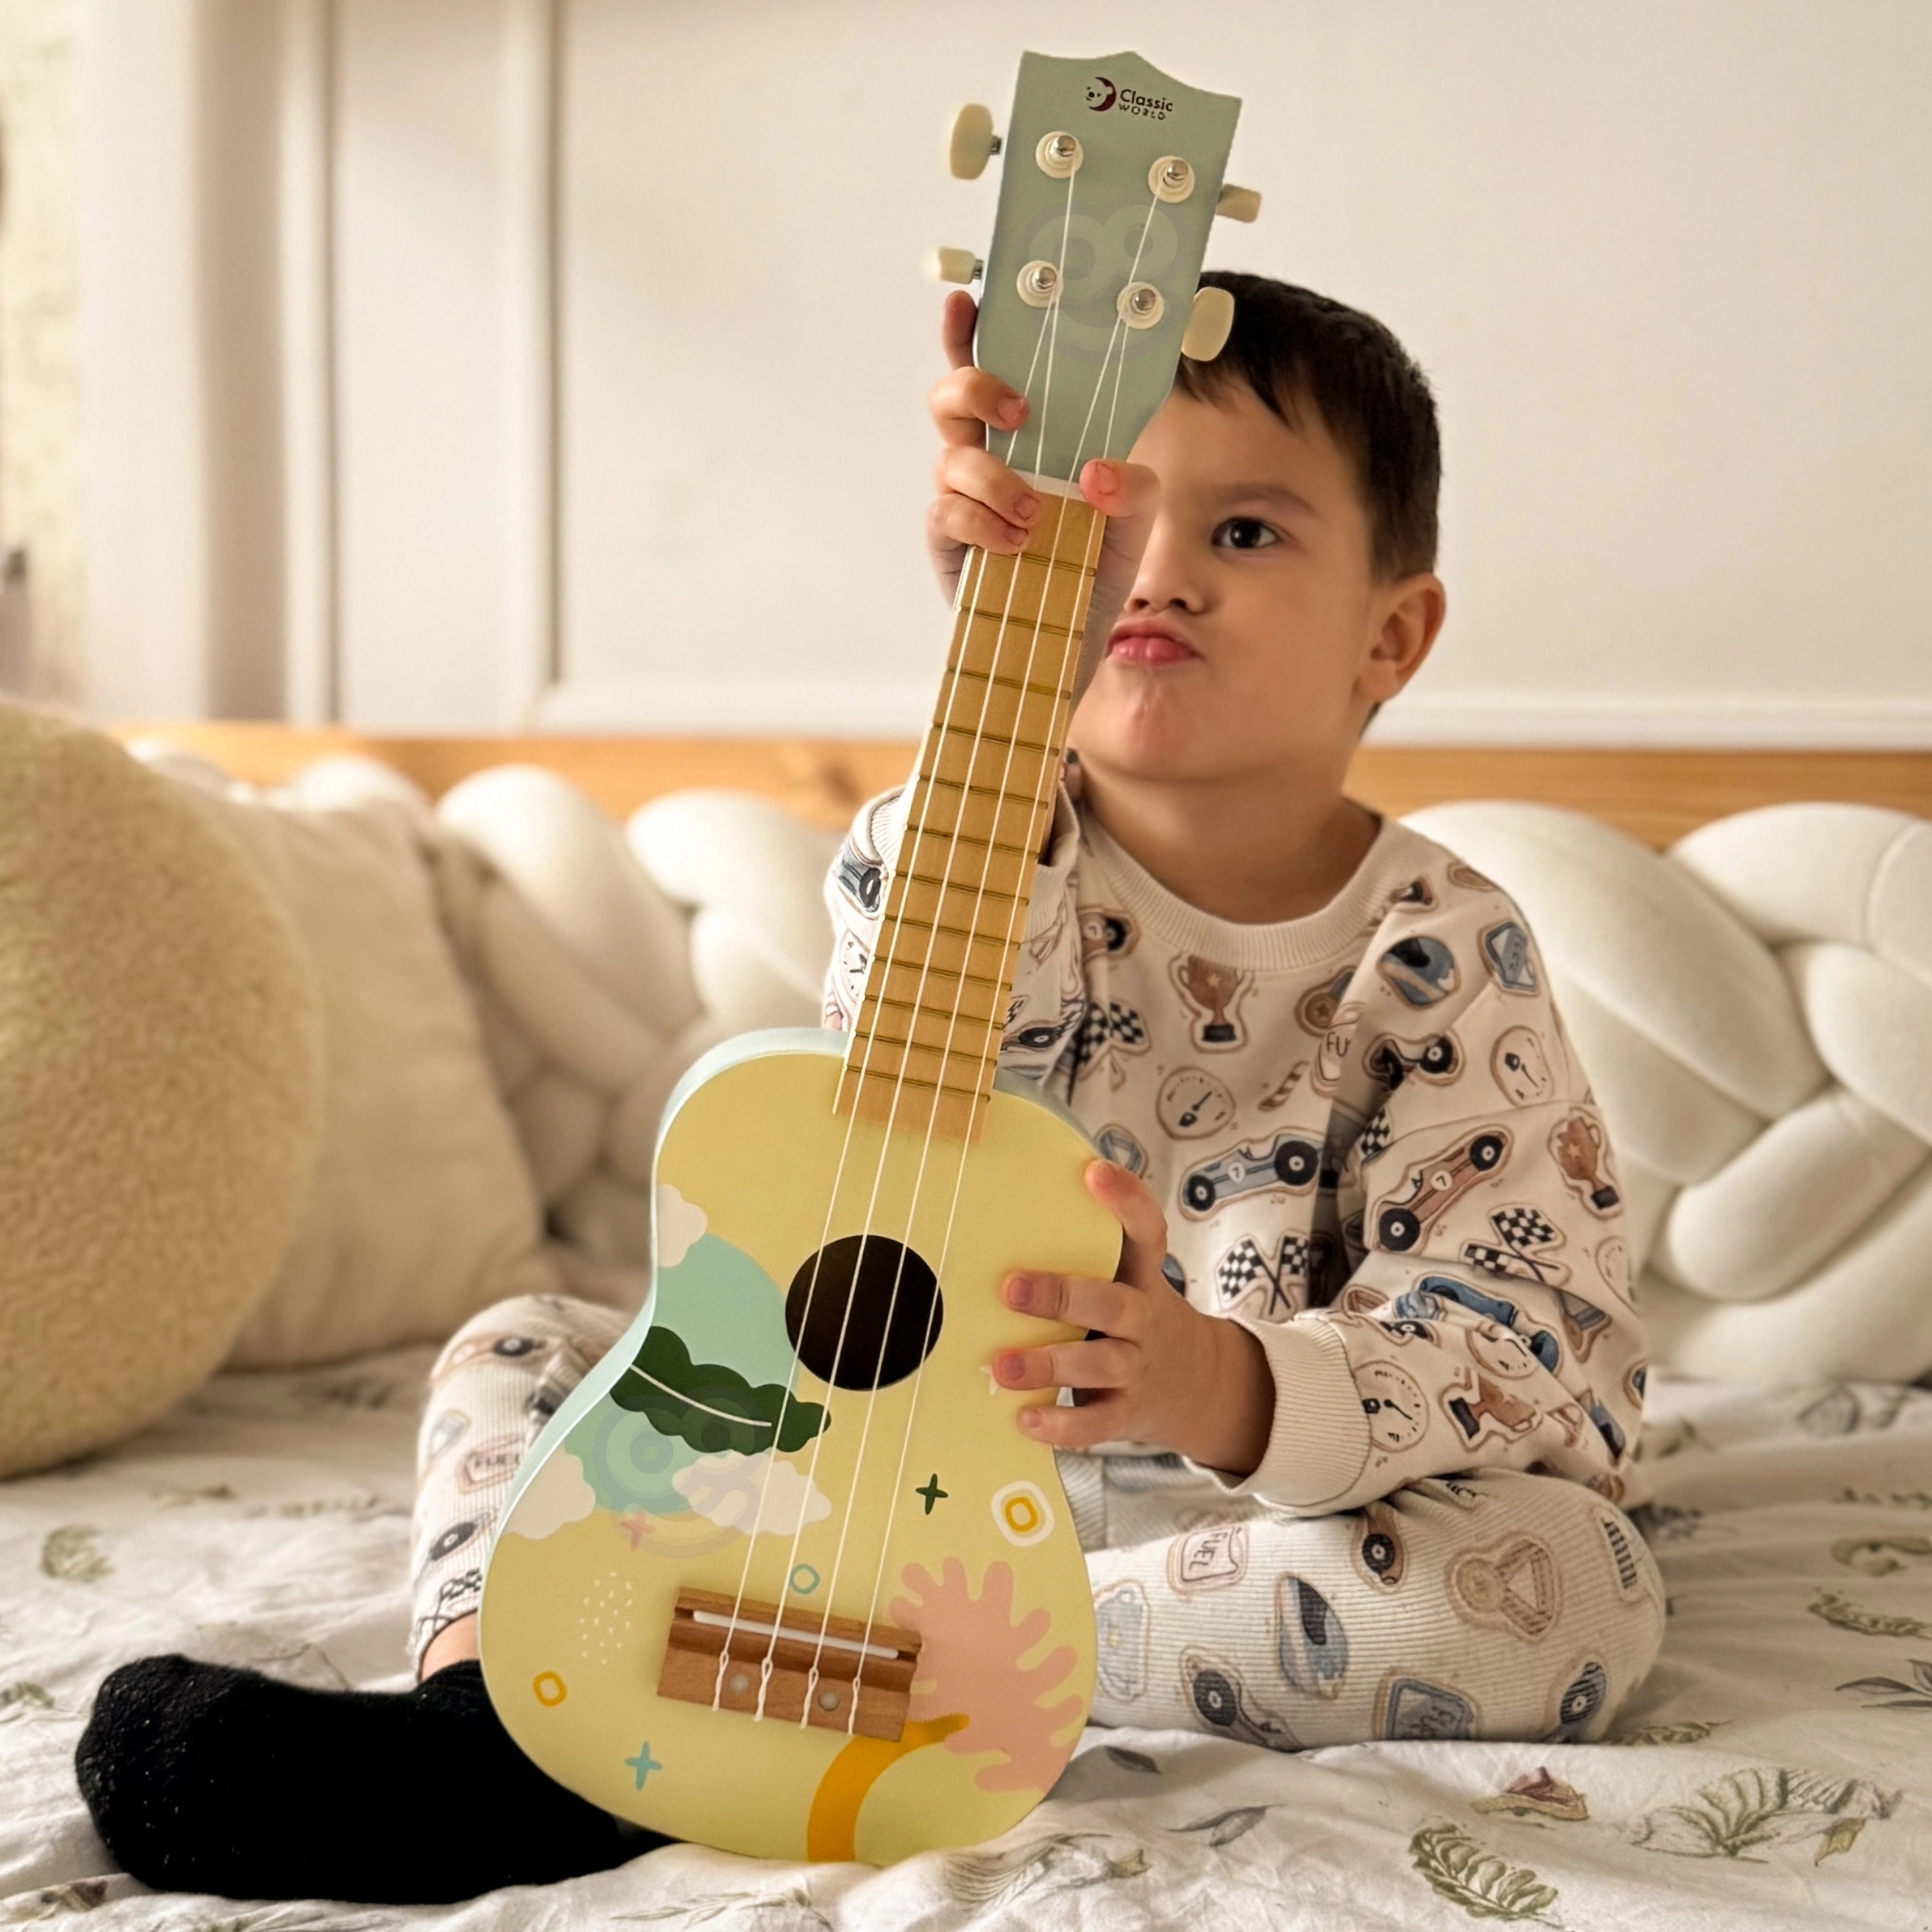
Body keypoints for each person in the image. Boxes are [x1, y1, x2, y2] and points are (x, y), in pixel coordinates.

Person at [74, 272, 1663, 1904]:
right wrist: (1004, 691)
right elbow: (883, 1128)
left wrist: (1212, 1383)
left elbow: (1521, 1337)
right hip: (834, 1477)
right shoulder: (953, 857)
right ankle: (504, 1727)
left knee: (1564, 1589)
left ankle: (835, 1683)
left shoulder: (1443, 953)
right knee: (521, 1340)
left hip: (1216, 1538)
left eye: (1243, 532)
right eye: (1111, 529)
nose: (1156, 573)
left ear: (1389, 635)